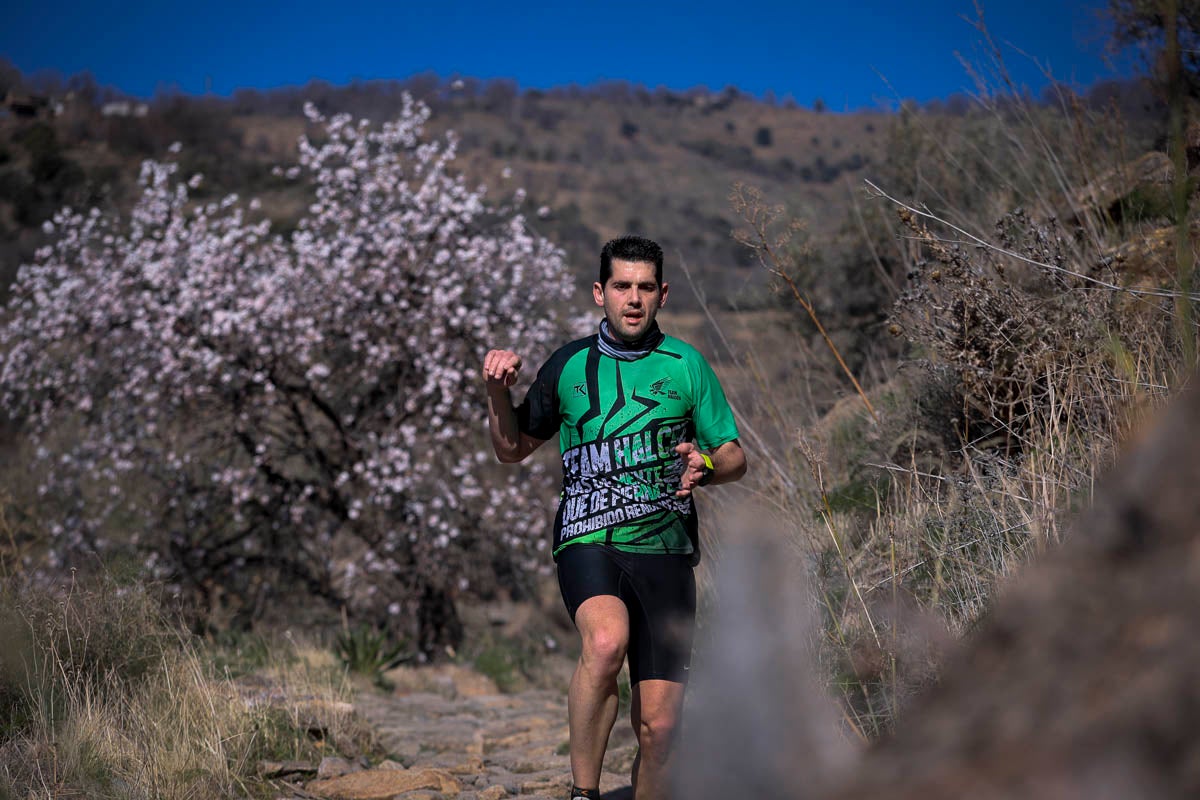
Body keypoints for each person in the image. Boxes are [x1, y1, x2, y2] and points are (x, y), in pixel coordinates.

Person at [482, 235, 747, 800]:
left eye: (645, 287)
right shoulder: (569, 366)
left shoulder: (687, 366)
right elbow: (511, 449)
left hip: (667, 550)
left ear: (662, 294)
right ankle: (584, 793)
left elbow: (733, 456)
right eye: (622, 286)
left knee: (661, 727)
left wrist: (704, 462)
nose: (633, 299)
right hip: (588, 540)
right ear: (600, 292)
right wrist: (496, 393)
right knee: (605, 643)